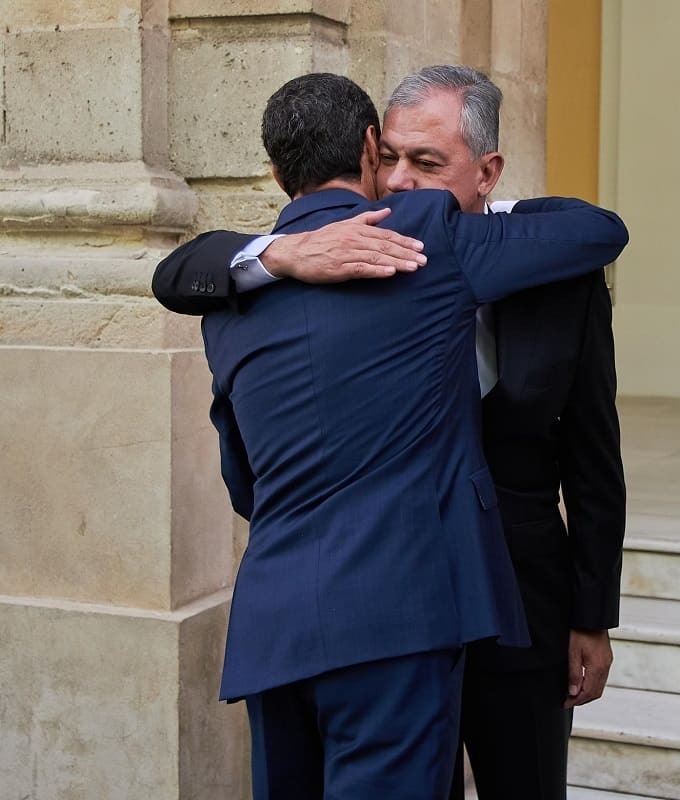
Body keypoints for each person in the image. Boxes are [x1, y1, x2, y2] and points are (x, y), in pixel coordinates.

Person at [152, 66, 626, 800]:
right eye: (394, 159)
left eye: (427, 162)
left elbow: (594, 457)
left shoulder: (526, 265)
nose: (402, 182)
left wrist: (591, 615)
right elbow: (179, 270)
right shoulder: (272, 268)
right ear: (371, 150)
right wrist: (277, 253)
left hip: (515, 607)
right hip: (408, 614)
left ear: (487, 171)